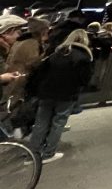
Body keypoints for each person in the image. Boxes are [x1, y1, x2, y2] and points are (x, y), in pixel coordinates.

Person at [28, 29, 93, 163]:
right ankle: (48, 153)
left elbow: (41, 71)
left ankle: (33, 152)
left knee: (41, 121)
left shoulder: (56, 53)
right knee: (59, 122)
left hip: (46, 92)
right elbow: (84, 79)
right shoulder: (83, 57)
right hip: (66, 94)